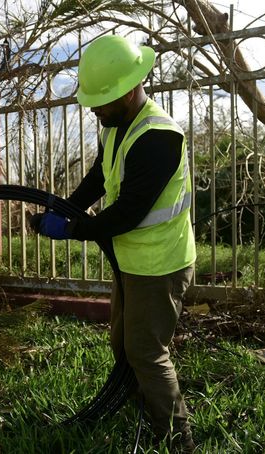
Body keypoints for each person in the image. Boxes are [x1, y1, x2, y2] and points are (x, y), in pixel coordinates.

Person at [30, 35, 196, 452]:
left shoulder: (159, 137)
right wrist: (63, 207)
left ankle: (176, 438)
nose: (94, 108)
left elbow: (126, 213)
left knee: (145, 350)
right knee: (121, 341)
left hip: (161, 264)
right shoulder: (119, 125)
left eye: (101, 99)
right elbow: (98, 179)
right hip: (132, 259)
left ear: (130, 88)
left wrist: (67, 230)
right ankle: (141, 406)